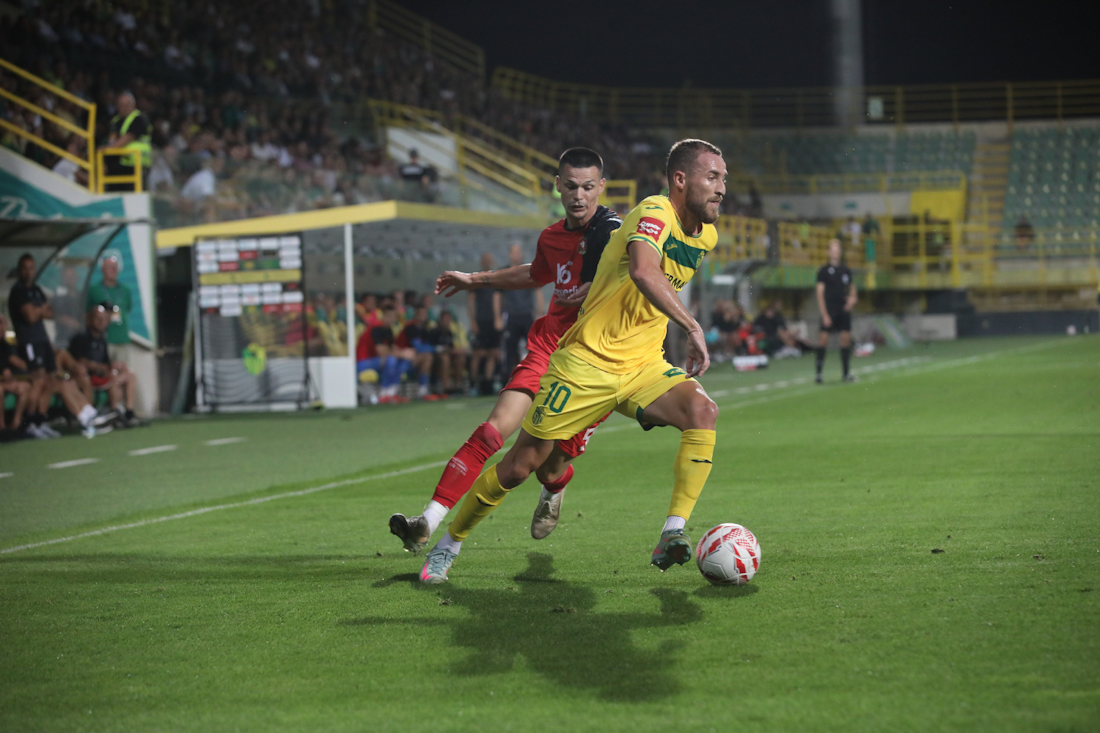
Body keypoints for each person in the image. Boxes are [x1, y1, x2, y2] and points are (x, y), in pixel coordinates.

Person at [417, 139, 725, 584]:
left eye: (724, 180)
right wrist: (692, 327)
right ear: (681, 180)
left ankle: (672, 531)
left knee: (703, 411)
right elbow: (643, 269)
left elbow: (650, 281)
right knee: (521, 466)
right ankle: (450, 543)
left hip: (641, 365)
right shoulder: (654, 212)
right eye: (712, 177)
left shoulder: (707, 235)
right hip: (586, 363)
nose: (721, 189)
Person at [389, 147, 621, 557]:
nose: (579, 196)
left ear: (601, 187)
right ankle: (428, 520)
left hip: (593, 363)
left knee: (546, 465)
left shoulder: (616, 235)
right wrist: (476, 280)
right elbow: (535, 273)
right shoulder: (551, 237)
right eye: (570, 186)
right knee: (493, 430)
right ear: (557, 186)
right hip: (548, 347)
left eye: (588, 187)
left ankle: (556, 485)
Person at [7, 254, 111, 438]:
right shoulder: (18, 291)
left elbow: (50, 312)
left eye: (31, 268)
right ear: (20, 269)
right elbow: (30, 317)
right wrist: (38, 311)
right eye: (25, 268)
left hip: (43, 341)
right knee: (39, 382)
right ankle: (32, 424)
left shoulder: (36, 290)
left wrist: (36, 310)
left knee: (59, 381)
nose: (29, 272)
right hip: (30, 343)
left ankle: (86, 415)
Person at [68, 302, 141, 427]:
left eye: (104, 319)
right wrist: (103, 368)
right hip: (87, 376)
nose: (102, 322)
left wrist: (115, 365)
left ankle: (128, 412)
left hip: (101, 375)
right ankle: (113, 412)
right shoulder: (81, 337)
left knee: (129, 374)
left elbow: (106, 363)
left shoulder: (102, 338)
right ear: (90, 320)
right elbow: (80, 362)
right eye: (98, 319)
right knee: (112, 377)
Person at [815, 239, 858, 383]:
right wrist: (825, 314)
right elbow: (820, 293)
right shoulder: (823, 271)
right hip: (830, 310)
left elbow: (852, 289)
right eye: (833, 249)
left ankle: (846, 373)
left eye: (837, 249)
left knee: (845, 340)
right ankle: (819, 374)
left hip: (843, 310)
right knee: (823, 340)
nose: (835, 252)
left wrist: (852, 299)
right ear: (829, 252)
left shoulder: (845, 270)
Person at [501, 242, 544, 374]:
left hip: (527, 315)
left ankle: (536, 375)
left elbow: (537, 291)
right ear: (509, 254)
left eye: (518, 252)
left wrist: (540, 312)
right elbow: (498, 295)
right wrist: (498, 316)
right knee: (510, 350)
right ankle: (508, 379)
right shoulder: (504, 272)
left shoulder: (529, 270)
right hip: (511, 316)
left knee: (534, 347)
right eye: (514, 252)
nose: (517, 255)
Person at [86, 255, 134, 368]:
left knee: (122, 371)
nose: (113, 270)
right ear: (102, 270)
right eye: (109, 267)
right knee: (107, 371)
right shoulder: (94, 290)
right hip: (104, 339)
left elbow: (127, 309)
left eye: (115, 267)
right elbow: (88, 314)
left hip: (122, 338)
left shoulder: (125, 290)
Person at [467, 252, 502, 395]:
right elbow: (470, 301)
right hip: (480, 321)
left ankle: (488, 383)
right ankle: (473, 384)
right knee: (478, 353)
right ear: (481, 261)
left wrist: (498, 318)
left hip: (493, 321)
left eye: (490, 259)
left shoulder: (496, 278)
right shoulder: (476, 279)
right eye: (485, 259)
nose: (488, 261)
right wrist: (473, 321)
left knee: (493, 353)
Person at [106, 91, 151, 191]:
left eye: (126, 105)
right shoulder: (115, 121)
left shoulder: (139, 119)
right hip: (119, 165)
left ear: (133, 105)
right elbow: (112, 140)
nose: (123, 107)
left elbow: (128, 137)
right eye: (121, 105)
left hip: (136, 165)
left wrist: (109, 149)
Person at [0, 313, 32, 441]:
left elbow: (17, 364)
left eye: (3, 323)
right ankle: (1, 429)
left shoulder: (6, 345)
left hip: (4, 381)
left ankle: (15, 426)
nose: (2, 327)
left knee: (24, 388)